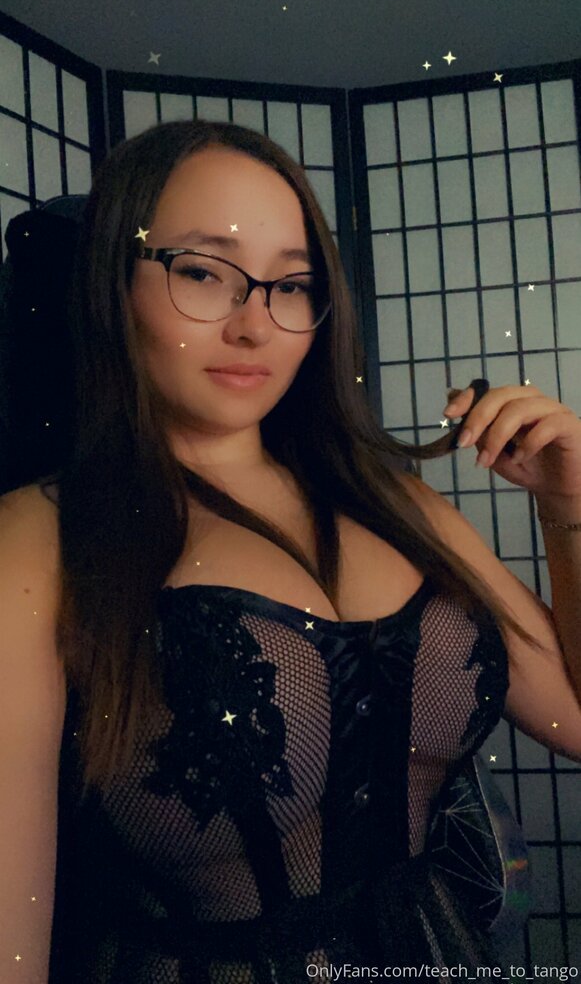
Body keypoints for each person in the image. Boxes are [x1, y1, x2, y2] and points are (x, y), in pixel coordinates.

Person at [1, 119, 580, 984]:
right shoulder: (37, 542)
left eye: (293, 284)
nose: (255, 325)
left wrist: (566, 504)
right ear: (112, 280)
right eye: (202, 271)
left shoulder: (400, 504)